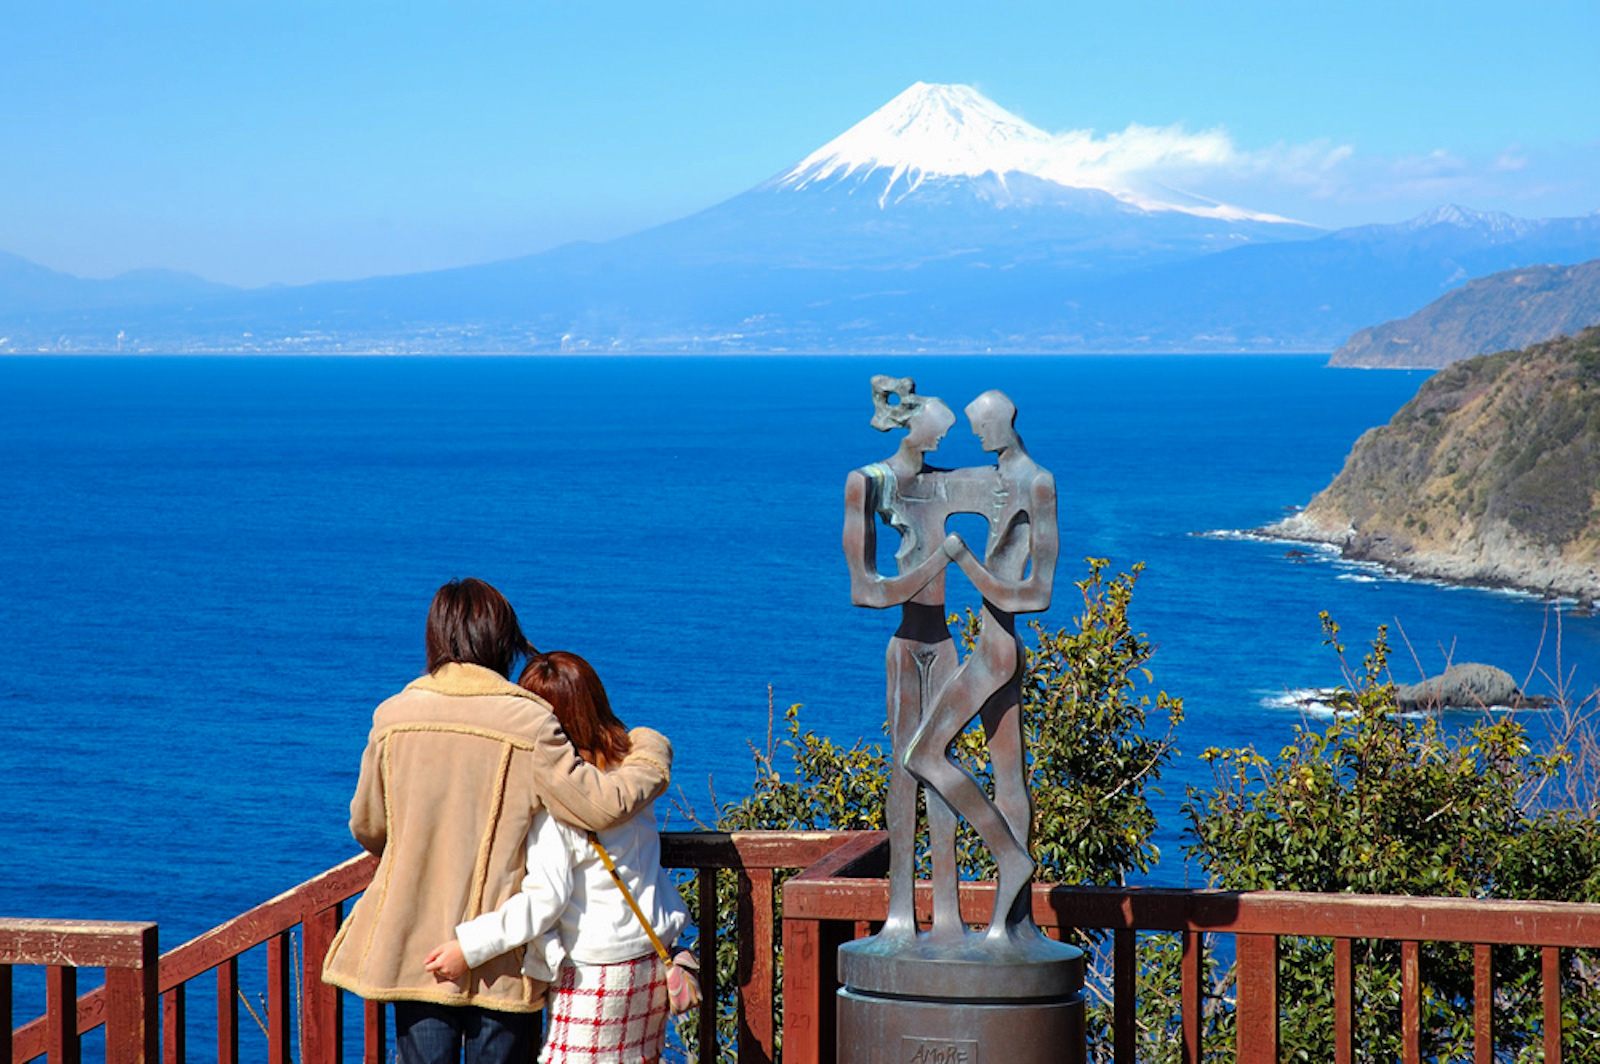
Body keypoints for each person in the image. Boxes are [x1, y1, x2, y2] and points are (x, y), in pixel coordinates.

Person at [322, 579, 673, 1064]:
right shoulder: (529, 721)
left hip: (415, 942)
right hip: (501, 951)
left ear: (436, 637)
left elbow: (368, 826)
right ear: (501, 640)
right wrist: (648, 754)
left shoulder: (393, 717)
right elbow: (598, 805)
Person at [422, 651, 689, 1064]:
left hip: (596, 969)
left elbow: (545, 900)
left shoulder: (561, 805)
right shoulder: (630, 776)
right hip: (652, 962)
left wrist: (469, 947)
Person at [906, 390, 1059, 941]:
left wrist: (963, 559)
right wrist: (908, 440)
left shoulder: (1036, 483)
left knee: (922, 753)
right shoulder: (998, 478)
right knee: (1009, 778)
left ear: (1002, 421)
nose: (978, 439)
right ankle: (1008, 924)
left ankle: (1008, 857)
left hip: (996, 652)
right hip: (994, 648)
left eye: (981, 429)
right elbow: (936, 479)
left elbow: (1034, 594)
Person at [842, 375, 974, 939]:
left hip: (945, 646)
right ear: (913, 427)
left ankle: (947, 910)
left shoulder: (952, 484)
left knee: (943, 768)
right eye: (938, 432)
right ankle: (900, 908)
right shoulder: (868, 483)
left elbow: (1018, 489)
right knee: (904, 771)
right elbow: (867, 590)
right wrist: (937, 562)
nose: (944, 442)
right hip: (907, 648)